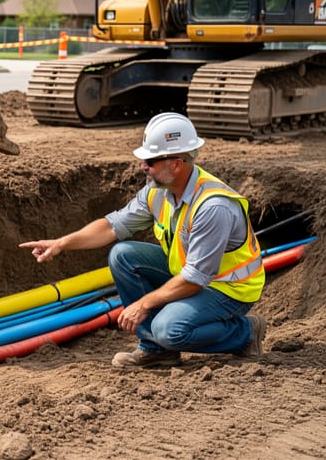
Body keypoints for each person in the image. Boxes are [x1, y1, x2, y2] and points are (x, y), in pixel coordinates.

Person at [19, 112, 266, 368]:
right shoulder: (158, 191)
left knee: (169, 329)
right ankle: (156, 350)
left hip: (228, 289)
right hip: (190, 275)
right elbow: (112, 227)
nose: (143, 166)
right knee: (123, 254)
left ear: (177, 164)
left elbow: (195, 279)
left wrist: (143, 304)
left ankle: (245, 333)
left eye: (150, 160)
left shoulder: (213, 207)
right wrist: (61, 243)